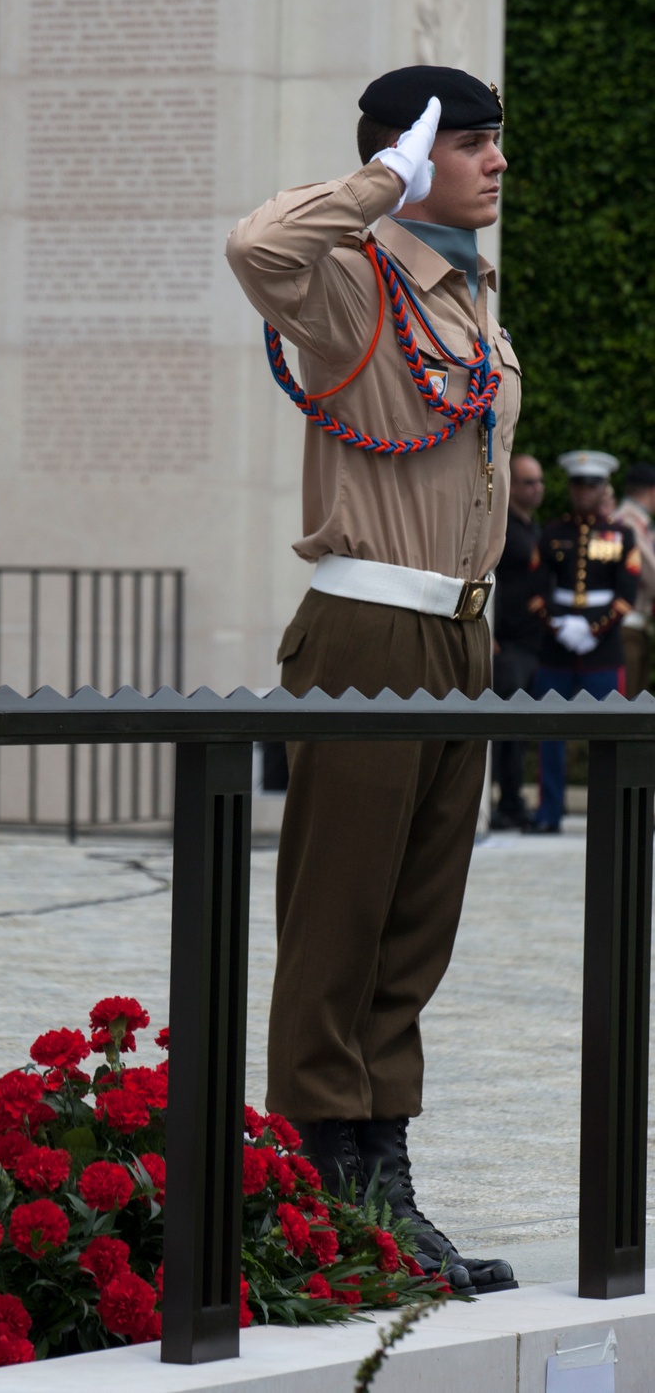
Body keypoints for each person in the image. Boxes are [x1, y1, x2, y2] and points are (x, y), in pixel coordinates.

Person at [226, 66, 521, 1292]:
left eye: (496, 140)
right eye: (465, 143)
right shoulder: (355, 282)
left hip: (459, 638)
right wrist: (378, 183)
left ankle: (376, 1177)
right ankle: (313, 1185)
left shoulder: (469, 296)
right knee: (340, 923)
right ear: (406, 154)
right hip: (369, 634)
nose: (494, 160)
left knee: (412, 932)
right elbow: (256, 246)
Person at [526, 450, 639, 833]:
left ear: (603, 488)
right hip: (556, 647)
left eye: (591, 486)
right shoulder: (552, 533)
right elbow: (537, 590)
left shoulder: (622, 535)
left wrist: (591, 630)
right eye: (577, 484)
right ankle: (548, 812)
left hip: (603, 650)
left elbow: (627, 594)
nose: (583, 492)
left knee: (607, 736)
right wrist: (559, 627)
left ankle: (607, 816)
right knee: (548, 735)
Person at [490, 453, 546, 829]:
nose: (537, 488)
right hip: (506, 643)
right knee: (505, 729)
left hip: (531, 645)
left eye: (539, 481)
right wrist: (487, 631)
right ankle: (502, 803)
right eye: (528, 481)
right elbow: (483, 572)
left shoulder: (531, 527)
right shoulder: (500, 526)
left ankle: (512, 799)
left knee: (520, 729)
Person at [612, 462, 655, 697]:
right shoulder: (628, 522)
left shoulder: (636, 521)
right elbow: (652, 575)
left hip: (635, 625)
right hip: (628, 625)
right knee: (628, 706)